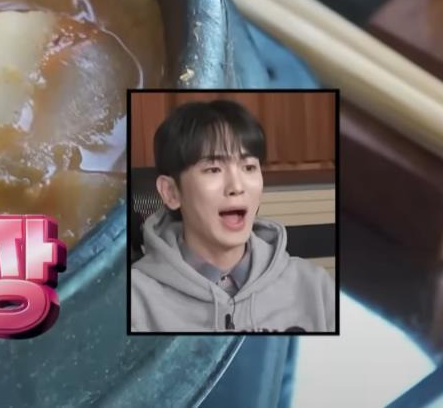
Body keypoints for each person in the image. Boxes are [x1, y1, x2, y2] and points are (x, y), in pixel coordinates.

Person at [130, 99, 335, 333]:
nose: (237, 186)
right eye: (213, 169)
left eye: (249, 167)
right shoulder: (134, 299)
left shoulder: (316, 287)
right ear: (171, 192)